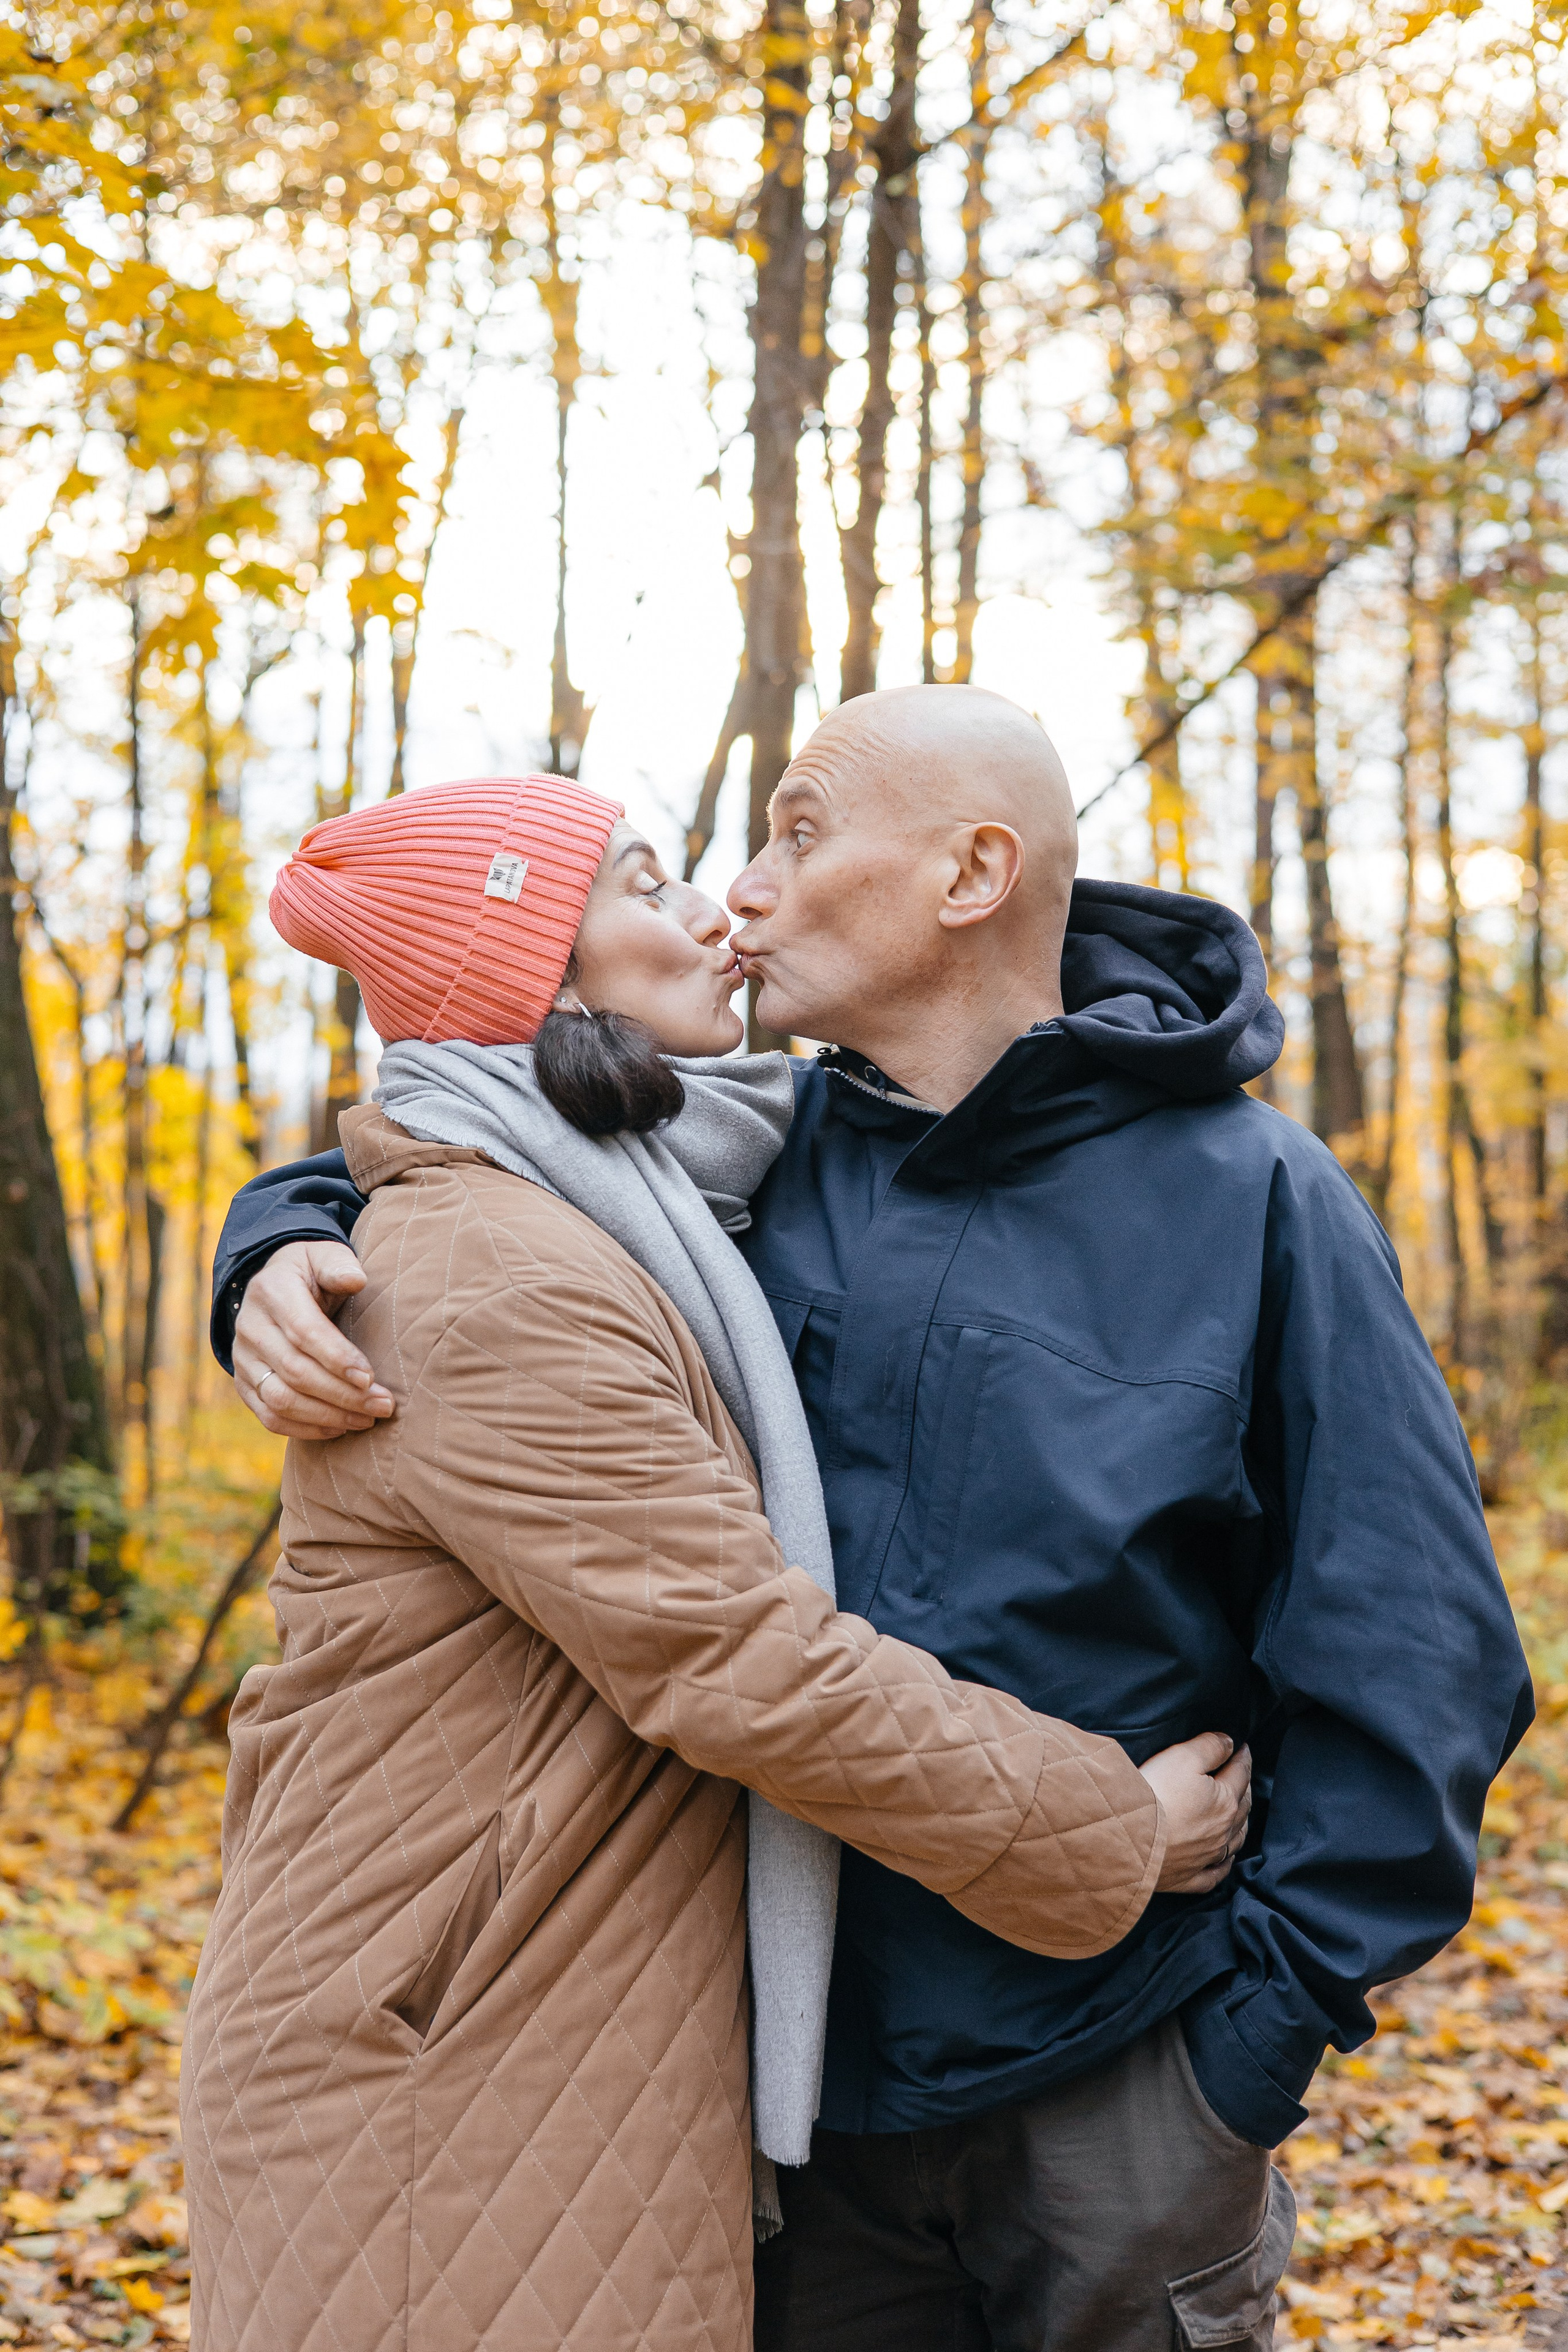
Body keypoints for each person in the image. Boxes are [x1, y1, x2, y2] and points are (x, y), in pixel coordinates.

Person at [215, 690, 1532, 2352]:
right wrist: (280, 1232)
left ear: (972, 874)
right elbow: (480, 1150)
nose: (743, 887)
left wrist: (1249, 2042)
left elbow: (1412, 1644)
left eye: (799, 832)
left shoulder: (1255, 1197)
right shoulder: (744, 1171)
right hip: (788, 2097)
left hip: (1120, 2073)